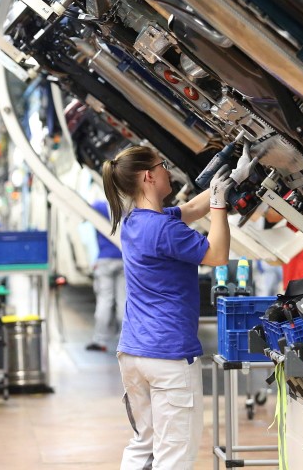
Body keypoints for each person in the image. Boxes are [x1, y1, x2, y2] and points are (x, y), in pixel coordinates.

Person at [102, 145, 254, 470]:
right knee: (174, 455)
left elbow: (190, 210)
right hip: (168, 357)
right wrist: (218, 203)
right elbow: (216, 255)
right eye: (162, 165)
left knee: (143, 445)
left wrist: (232, 182)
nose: (167, 170)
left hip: (133, 353)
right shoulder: (162, 229)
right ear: (148, 176)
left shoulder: (135, 222)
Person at [86, 199, 125, 352]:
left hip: (105, 259)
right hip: (123, 257)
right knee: (124, 301)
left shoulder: (98, 206)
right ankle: (125, 340)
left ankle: (99, 339)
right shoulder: (127, 207)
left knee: (105, 300)